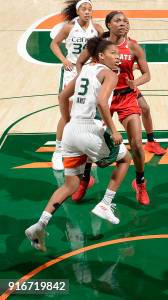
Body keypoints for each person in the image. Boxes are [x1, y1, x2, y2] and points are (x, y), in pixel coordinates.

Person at [25, 37, 133, 252]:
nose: (118, 57)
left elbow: (63, 95)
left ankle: (40, 225)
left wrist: (66, 120)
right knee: (126, 159)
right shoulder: (109, 74)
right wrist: (113, 130)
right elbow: (103, 102)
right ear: (101, 56)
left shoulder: (84, 70)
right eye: (113, 53)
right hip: (90, 130)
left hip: (71, 131)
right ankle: (105, 203)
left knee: (70, 185)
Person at [76, 11, 156, 205]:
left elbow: (147, 74)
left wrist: (134, 82)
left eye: (126, 21)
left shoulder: (134, 47)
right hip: (104, 98)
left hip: (126, 97)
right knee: (89, 141)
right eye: (118, 21)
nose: (123, 24)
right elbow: (79, 62)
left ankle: (140, 182)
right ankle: (85, 180)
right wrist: (84, 84)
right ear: (108, 25)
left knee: (136, 143)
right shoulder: (97, 45)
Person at [50, 0, 105, 170]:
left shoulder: (97, 29)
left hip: (89, 71)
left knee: (89, 111)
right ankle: (58, 151)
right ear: (77, 11)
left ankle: (86, 149)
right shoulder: (68, 27)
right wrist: (64, 59)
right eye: (84, 9)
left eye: (90, 9)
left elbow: (102, 49)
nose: (87, 12)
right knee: (68, 112)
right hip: (72, 69)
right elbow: (53, 44)